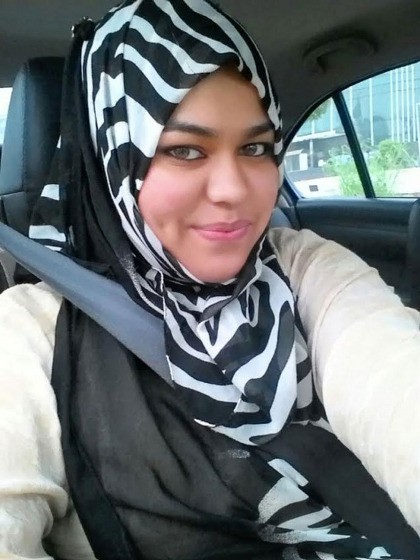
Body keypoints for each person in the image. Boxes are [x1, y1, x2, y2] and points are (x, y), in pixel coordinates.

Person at [0, 0, 419, 558]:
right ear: (115, 161)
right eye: (184, 150)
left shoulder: (303, 267)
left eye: (255, 148)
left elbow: (395, 382)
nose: (233, 189)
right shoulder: (32, 333)